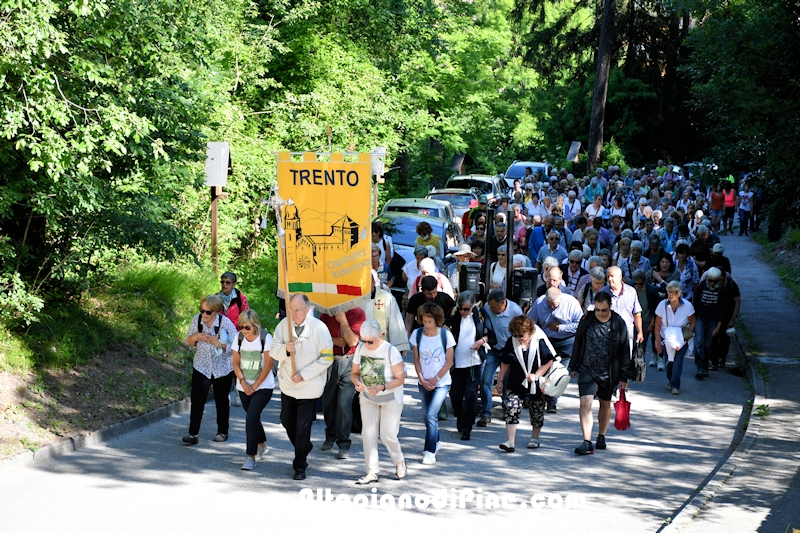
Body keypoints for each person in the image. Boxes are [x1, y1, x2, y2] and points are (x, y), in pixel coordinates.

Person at [270, 294, 334, 480]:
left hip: (309, 385)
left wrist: (304, 374)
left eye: (297, 310)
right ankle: (303, 446)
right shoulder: (284, 326)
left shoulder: (319, 328)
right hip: (289, 384)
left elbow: (327, 357)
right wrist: (285, 350)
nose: (293, 313)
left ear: (307, 309)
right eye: (291, 309)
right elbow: (273, 350)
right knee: (286, 420)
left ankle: (300, 465)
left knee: (302, 427)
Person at [569, 291, 631, 455]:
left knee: (605, 404)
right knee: (585, 403)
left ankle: (601, 435)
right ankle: (586, 441)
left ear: (610, 306)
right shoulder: (587, 320)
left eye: (603, 310)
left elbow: (625, 351)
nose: (600, 313)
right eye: (597, 309)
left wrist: (624, 376)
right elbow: (578, 342)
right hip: (587, 368)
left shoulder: (618, 323)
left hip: (609, 372)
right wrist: (574, 365)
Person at [350, 320, 407, 484]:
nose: (366, 344)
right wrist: (357, 383)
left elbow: (400, 379)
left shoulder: (390, 351)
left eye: (370, 341)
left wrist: (382, 387)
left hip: (390, 398)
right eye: (364, 340)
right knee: (368, 434)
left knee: (388, 435)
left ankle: (399, 462)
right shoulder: (360, 348)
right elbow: (354, 373)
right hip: (368, 397)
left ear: (380, 335)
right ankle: (371, 472)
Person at [183, 295, 238, 445]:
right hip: (202, 365)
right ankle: (193, 433)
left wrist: (217, 343)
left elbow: (236, 345)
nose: (204, 314)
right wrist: (195, 337)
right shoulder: (197, 320)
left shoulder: (225, 323)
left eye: (208, 312)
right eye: (202, 310)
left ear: (216, 312)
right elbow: (188, 340)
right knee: (197, 399)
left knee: (221, 400)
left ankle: (222, 431)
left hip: (223, 368)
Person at [496, 316, 555, 452]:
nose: (518, 338)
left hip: (536, 383)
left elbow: (549, 360)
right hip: (516, 382)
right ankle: (510, 442)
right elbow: (505, 362)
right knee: (511, 408)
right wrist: (500, 381)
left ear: (530, 332)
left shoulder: (539, 341)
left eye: (521, 335)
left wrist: (537, 375)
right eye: (515, 335)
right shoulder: (511, 342)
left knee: (537, 411)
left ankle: (535, 438)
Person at [410, 303, 455, 465]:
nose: (426, 324)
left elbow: (449, 362)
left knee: (431, 414)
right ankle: (436, 441)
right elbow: (416, 359)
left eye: (430, 321)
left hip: (441, 382)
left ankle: (429, 451)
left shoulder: (446, 335)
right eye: (424, 320)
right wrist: (421, 379)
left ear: (437, 320)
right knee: (427, 415)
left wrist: (435, 379)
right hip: (424, 381)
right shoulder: (417, 334)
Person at [319, 307, 366, 459]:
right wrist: (334, 340)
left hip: (349, 362)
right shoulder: (326, 313)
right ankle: (330, 435)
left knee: (344, 405)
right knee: (328, 403)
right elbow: (319, 338)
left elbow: (353, 341)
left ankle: (343, 443)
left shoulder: (357, 313)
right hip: (329, 362)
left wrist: (344, 322)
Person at [527, 287, 583, 413]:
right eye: (550, 305)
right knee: (543, 369)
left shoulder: (571, 303)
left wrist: (560, 328)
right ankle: (539, 397)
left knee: (560, 373)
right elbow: (530, 321)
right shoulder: (540, 302)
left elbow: (580, 325)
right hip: (547, 340)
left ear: (561, 299)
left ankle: (552, 402)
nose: (552, 307)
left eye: (555, 305)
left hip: (566, 341)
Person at [231, 309, 274, 470]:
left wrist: (254, 386)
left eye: (247, 327)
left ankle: (250, 456)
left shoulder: (265, 338)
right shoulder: (239, 337)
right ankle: (262, 445)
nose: (243, 330)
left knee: (250, 418)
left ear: (255, 325)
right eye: (241, 326)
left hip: (263, 387)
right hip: (243, 386)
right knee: (253, 417)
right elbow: (235, 362)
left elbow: (269, 365)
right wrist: (243, 382)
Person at [446, 291, 488, 441]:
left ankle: (466, 427)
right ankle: (460, 418)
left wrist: (481, 341)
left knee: (470, 394)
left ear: (472, 307)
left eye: (466, 309)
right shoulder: (453, 314)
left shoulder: (481, 314)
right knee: (455, 394)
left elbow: (490, 333)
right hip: (456, 362)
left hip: (473, 362)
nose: (463, 312)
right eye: (461, 309)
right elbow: (445, 326)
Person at [479, 289, 524, 427]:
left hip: (509, 351)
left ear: (503, 303)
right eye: (490, 306)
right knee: (486, 379)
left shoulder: (515, 311)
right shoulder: (488, 307)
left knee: (507, 382)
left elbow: (523, 330)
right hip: (493, 349)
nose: (490, 309)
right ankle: (486, 412)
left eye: (493, 307)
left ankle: (506, 407)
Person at [654, 281, 696, 394]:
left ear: (680, 293)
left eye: (674, 292)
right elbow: (657, 324)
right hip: (666, 338)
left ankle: (675, 385)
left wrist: (687, 335)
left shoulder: (687, 306)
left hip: (681, 337)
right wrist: (657, 341)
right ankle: (670, 380)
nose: (671, 294)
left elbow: (693, 321)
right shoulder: (662, 305)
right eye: (669, 292)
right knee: (669, 361)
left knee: (678, 361)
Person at [219, 271, 250, 407]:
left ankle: (238, 391)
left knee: (236, 363)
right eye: (222, 282)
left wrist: (245, 333)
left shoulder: (241, 299)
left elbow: (246, 316)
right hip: (221, 336)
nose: (224, 285)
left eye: (228, 282)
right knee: (222, 364)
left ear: (234, 284)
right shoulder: (215, 298)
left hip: (237, 335)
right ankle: (225, 394)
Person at [692, 268, 730, 380]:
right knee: (699, 342)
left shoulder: (722, 290)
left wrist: (719, 324)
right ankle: (699, 367)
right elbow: (695, 303)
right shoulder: (701, 287)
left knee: (708, 345)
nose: (712, 283)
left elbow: (723, 308)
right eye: (710, 281)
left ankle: (705, 366)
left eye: (714, 281)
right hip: (700, 318)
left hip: (713, 320)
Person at [601, 266, 644, 353]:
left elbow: (636, 313)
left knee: (626, 360)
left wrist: (640, 332)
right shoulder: (603, 292)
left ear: (620, 277)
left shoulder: (631, 291)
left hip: (627, 331)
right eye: (608, 276)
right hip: (608, 332)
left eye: (612, 276)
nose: (610, 279)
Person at [366, 270, 410, 353]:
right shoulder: (355, 299)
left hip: (382, 348)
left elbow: (395, 323)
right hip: (362, 347)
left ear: (373, 283)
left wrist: (399, 347)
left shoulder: (387, 298)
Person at [631, 269, 661, 369]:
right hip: (632, 320)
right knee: (631, 344)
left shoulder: (652, 290)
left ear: (645, 280)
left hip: (646, 320)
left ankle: (639, 365)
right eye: (636, 283)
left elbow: (655, 309)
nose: (638, 286)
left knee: (641, 345)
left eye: (640, 283)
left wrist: (652, 324)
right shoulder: (630, 288)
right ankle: (633, 364)